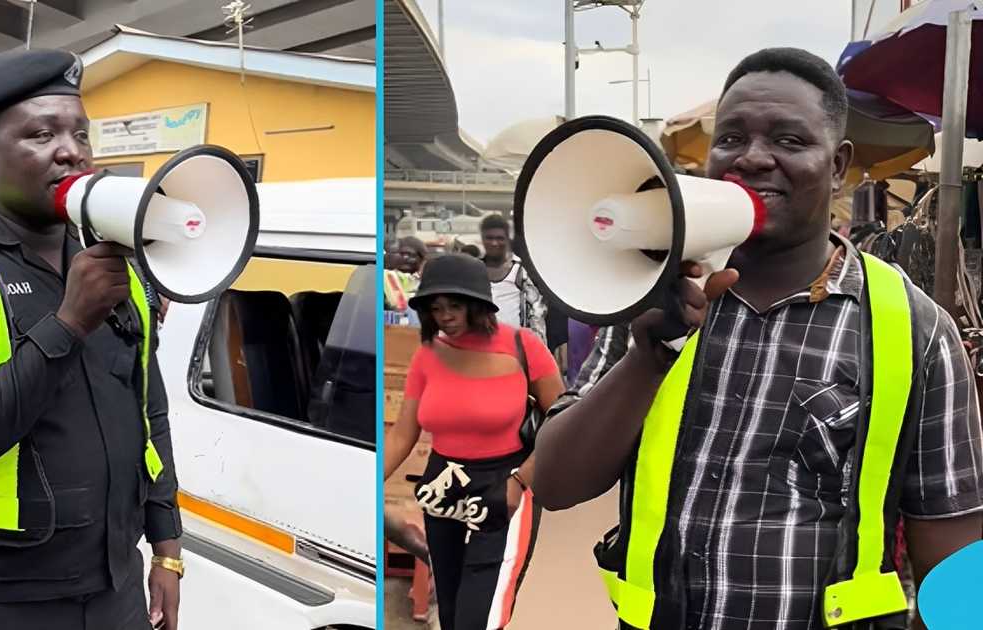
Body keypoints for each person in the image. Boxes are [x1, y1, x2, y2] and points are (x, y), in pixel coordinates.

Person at [534, 48, 983, 630]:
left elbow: (954, 553)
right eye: (731, 138)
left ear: (839, 164)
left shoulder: (914, 330)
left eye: (790, 141)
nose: (751, 158)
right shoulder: (655, 297)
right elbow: (555, 482)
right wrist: (648, 357)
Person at [0, 49, 183, 630]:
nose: (70, 150)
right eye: (42, 133)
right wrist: (67, 325)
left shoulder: (113, 259)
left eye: (79, 133)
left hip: (113, 588)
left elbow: (150, 412)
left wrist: (166, 546)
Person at [384, 253, 565, 630]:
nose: (444, 315)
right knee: (450, 610)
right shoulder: (427, 356)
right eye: (435, 307)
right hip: (443, 486)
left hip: (505, 484)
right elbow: (404, 432)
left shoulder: (523, 346)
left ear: (478, 304)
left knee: (479, 616)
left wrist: (519, 482)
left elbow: (561, 421)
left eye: (454, 305)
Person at [479, 214, 546, 342]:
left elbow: (537, 312)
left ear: (507, 239)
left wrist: (536, 347)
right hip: (481, 344)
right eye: (489, 238)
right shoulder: (474, 270)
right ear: (482, 239)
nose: (494, 243)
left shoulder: (520, 271)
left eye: (500, 238)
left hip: (513, 345)